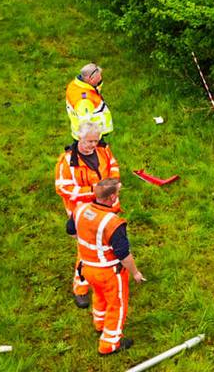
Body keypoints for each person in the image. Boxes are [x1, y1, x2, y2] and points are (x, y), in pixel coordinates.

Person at [67, 178, 145, 355]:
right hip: (109, 272)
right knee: (117, 306)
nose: (118, 196)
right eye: (117, 193)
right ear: (111, 198)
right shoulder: (112, 223)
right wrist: (136, 273)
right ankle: (109, 344)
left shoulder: (80, 209)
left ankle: (99, 323)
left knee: (99, 295)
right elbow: (124, 255)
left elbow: (71, 231)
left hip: (87, 268)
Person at [55, 122, 120, 307]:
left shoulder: (102, 150)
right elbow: (63, 188)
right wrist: (95, 191)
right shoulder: (67, 161)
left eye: (96, 140)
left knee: (109, 244)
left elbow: (113, 165)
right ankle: (80, 287)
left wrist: (113, 182)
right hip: (84, 214)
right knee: (85, 252)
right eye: (89, 141)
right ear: (78, 137)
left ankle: (108, 273)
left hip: (107, 209)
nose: (93, 145)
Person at [65, 62, 112, 139]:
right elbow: (85, 126)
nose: (100, 79)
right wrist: (94, 140)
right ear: (91, 79)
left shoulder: (75, 85)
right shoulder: (85, 102)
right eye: (99, 77)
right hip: (90, 138)